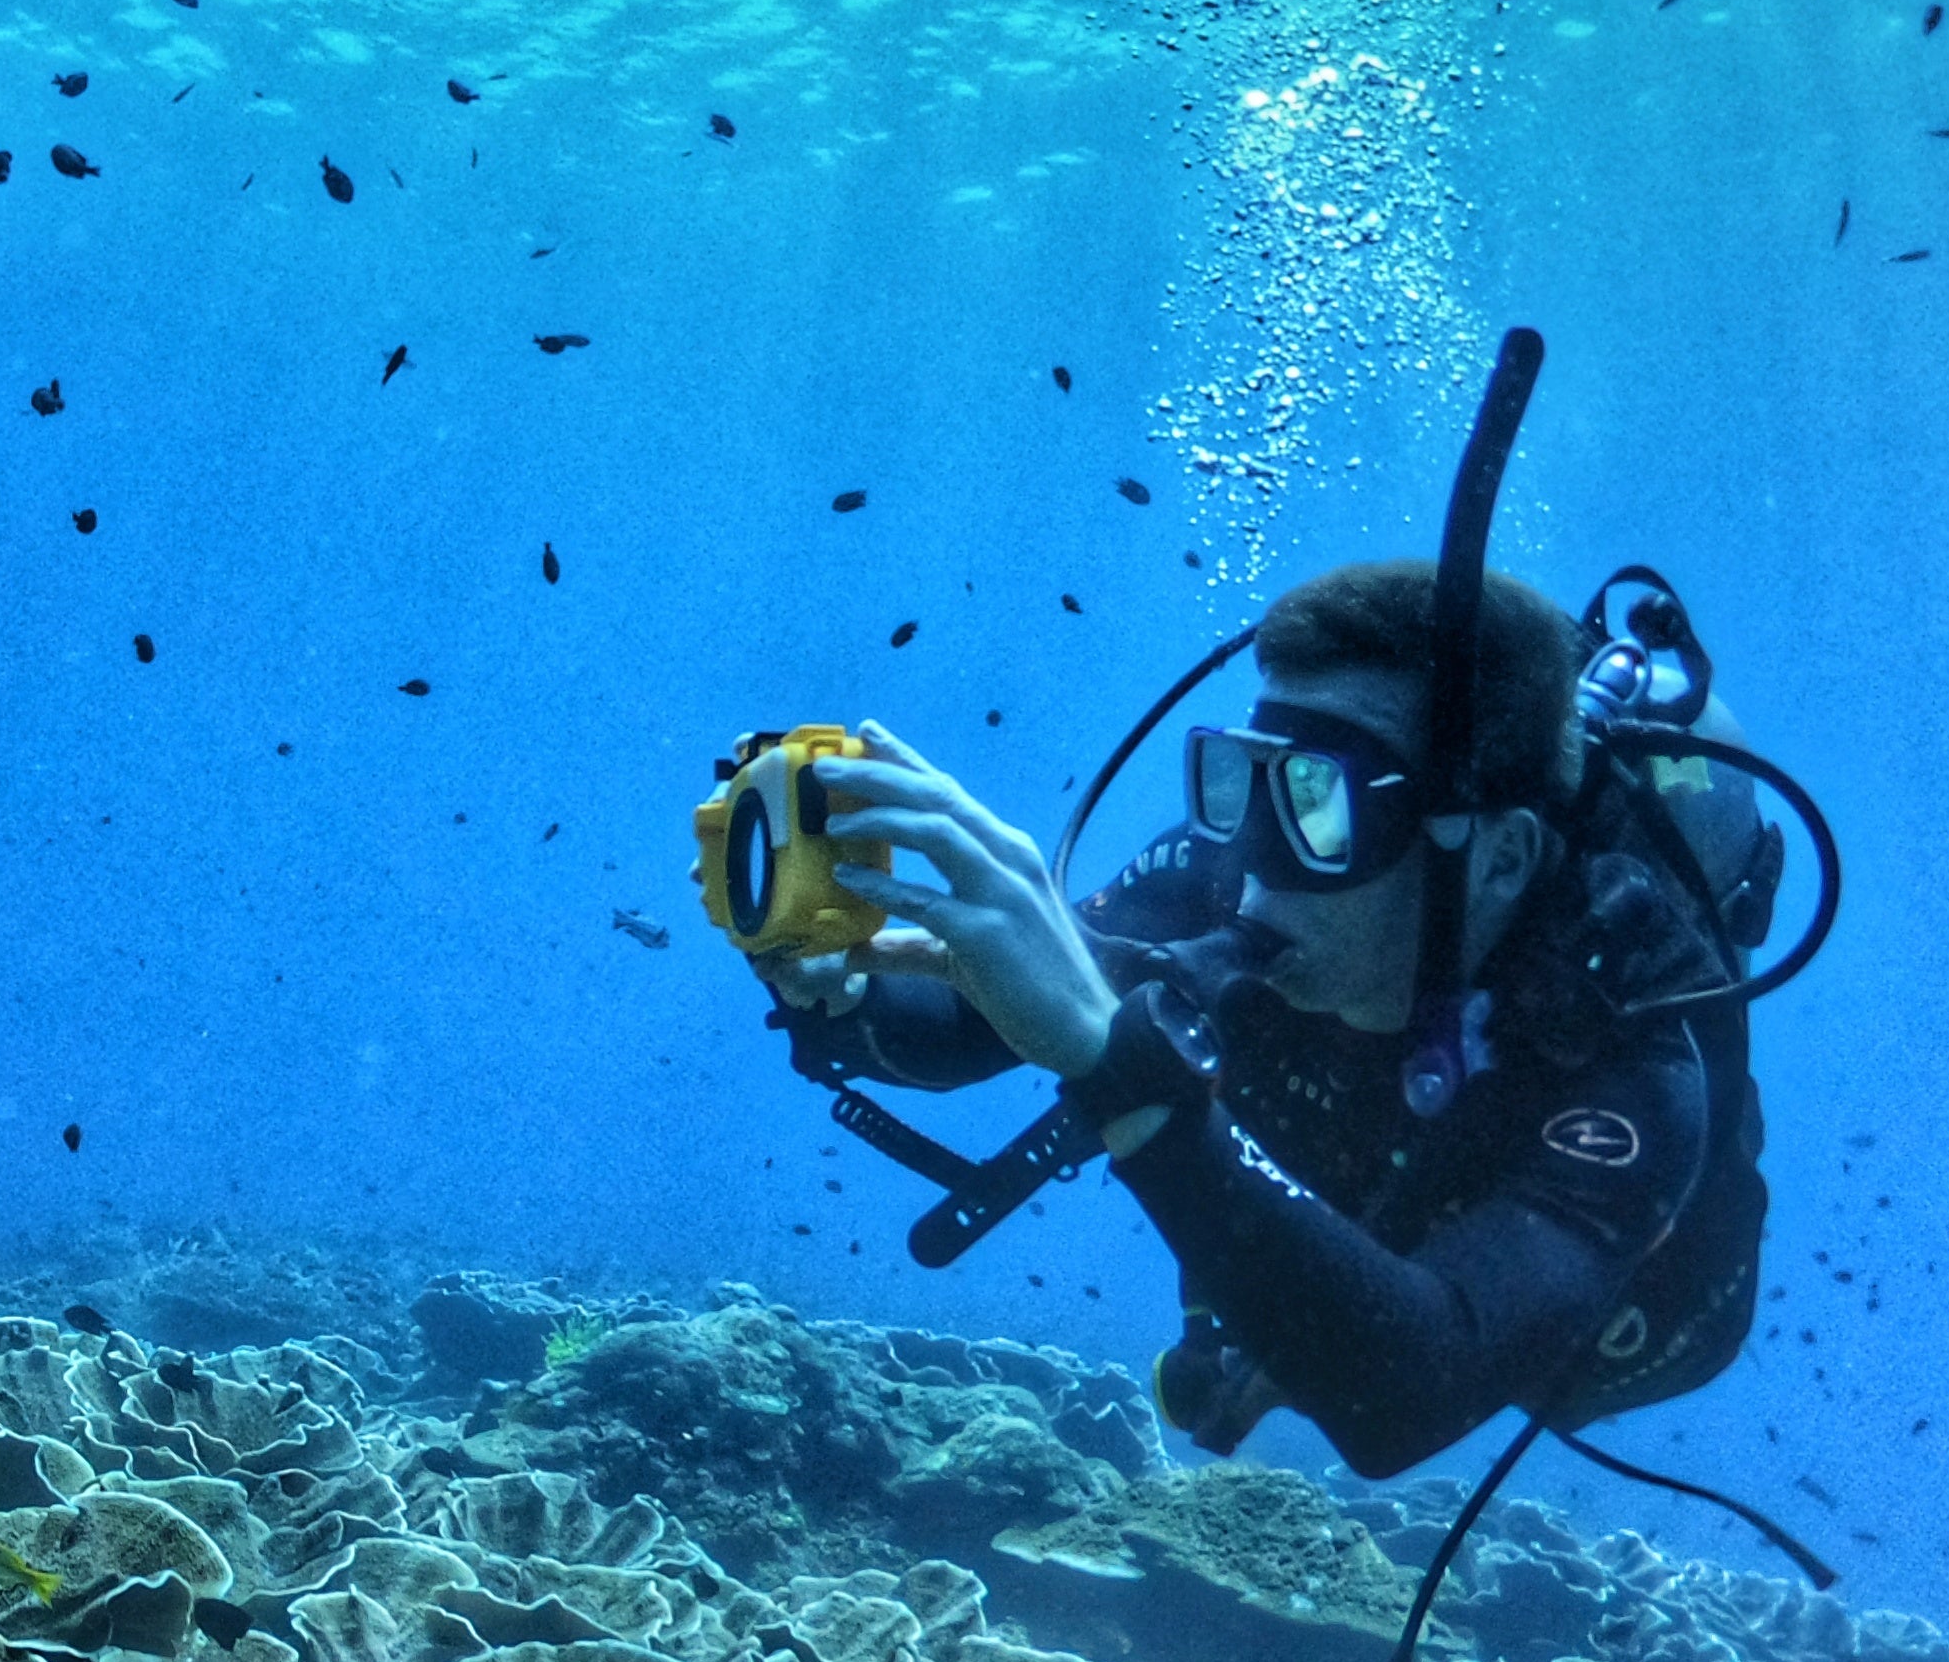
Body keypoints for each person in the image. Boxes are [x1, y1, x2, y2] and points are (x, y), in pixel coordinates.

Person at [754, 558, 1766, 1483]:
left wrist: (1116, 1065)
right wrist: (830, 983)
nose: (1251, 862)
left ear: (1499, 860)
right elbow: (975, 1013)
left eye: (1321, 803)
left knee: (1448, 1347)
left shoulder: (1626, 1050)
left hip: (1618, 1331)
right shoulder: (1220, 871)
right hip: (1347, 1244)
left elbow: (1407, 1398)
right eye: (1236, 779)